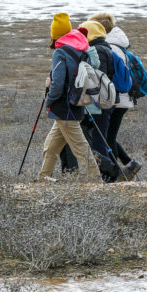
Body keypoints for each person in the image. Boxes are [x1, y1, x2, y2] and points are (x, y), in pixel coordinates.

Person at [38, 13, 100, 181]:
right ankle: (43, 178)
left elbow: (58, 84)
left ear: (55, 34)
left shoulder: (60, 52)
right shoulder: (80, 47)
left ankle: (96, 181)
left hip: (64, 108)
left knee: (80, 148)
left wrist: (49, 98)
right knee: (50, 147)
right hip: (76, 104)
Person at [88, 11, 141, 177]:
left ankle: (116, 173)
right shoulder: (118, 45)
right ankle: (128, 164)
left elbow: (104, 76)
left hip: (114, 98)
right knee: (106, 136)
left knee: (105, 138)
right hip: (124, 97)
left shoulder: (107, 47)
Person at [78, 19, 125, 182]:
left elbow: (97, 77)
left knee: (99, 141)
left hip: (100, 102)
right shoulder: (106, 48)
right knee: (101, 138)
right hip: (108, 100)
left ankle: (109, 175)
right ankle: (110, 173)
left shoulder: (97, 50)